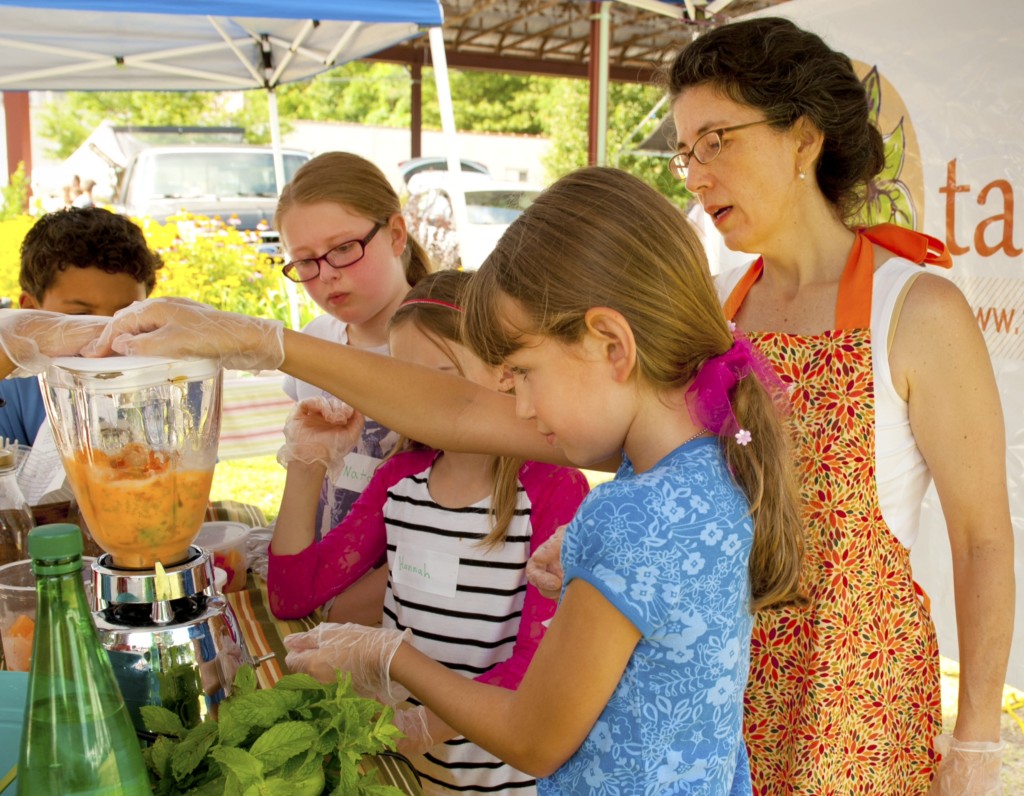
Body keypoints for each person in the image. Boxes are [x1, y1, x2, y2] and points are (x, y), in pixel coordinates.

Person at [87, 166, 806, 794]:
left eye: (523, 374)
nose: (515, 407)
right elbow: (460, 410)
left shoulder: (632, 514)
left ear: (611, 345)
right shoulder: (710, 457)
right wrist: (260, 340)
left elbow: (532, 738)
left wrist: (390, 656)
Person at [665, 17, 1013, 796]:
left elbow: (983, 538)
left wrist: (978, 742)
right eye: (686, 151)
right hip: (721, 689)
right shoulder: (718, 314)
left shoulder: (915, 309)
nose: (694, 173)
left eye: (717, 140)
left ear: (803, 138)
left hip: (854, 709)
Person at [269, 270, 591, 794]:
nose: (420, 401)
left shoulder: (554, 490)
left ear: (504, 369)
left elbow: (540, 668)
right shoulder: (399, 480)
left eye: (442, 377)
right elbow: (293, 595)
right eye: (403, 383)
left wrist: (427, 726)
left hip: (497, 778)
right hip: (400, 771)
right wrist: (306, 463)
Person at [273, 152, 434, 540]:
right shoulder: (313, 342)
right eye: (306, 261)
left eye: (343, 248)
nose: (327, 274)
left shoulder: (446, 348)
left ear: (396, 234)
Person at [0, 207, 161, 445]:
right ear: (30, 311)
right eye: (81, 317)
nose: (106, 342)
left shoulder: (167, 382)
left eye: (125, 316)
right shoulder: (10, 387)